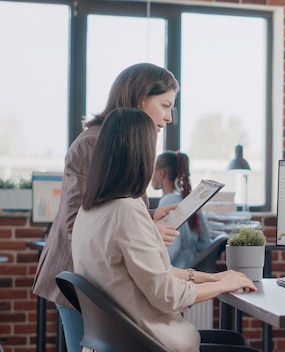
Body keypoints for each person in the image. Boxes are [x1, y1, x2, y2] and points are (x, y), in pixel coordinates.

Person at [71, 108, 257, 352]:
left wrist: (214, 277)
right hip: (147, 341)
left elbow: (156, 273)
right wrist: (223, 285)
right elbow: (168, 295)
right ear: (141, 154)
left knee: (233, 341)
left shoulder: (89, 211)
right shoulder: (127, 211)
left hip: (122, 340)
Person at [32, 63, 182, 352]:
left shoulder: (127, 141)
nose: (169, 117)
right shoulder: (93, 143)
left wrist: (147, 218)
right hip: (83, 278)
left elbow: (108, 208)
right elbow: (81, 223)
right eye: (164, 105)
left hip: (102, 278)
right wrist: (146, 231)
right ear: (140, 98)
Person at [152, 151, 213, 268]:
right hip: (193, 266)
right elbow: (204, 242)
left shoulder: (167, 202)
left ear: (161, 173)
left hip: (177, 269)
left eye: (153, 171)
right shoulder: (187, 198)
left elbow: (172, 250)